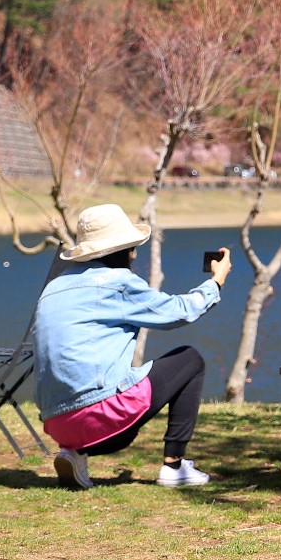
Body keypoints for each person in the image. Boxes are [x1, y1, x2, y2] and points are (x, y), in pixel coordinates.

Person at [32, 203, 230, 491]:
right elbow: (180, 311)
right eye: (132, 248)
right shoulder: (117, 283)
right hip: (103, 421)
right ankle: (174, 466)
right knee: (190, 359)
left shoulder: (54, 287)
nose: (134, 254)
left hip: (56, 424)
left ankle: (74, 453)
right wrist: (216, 281)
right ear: (121, 250)